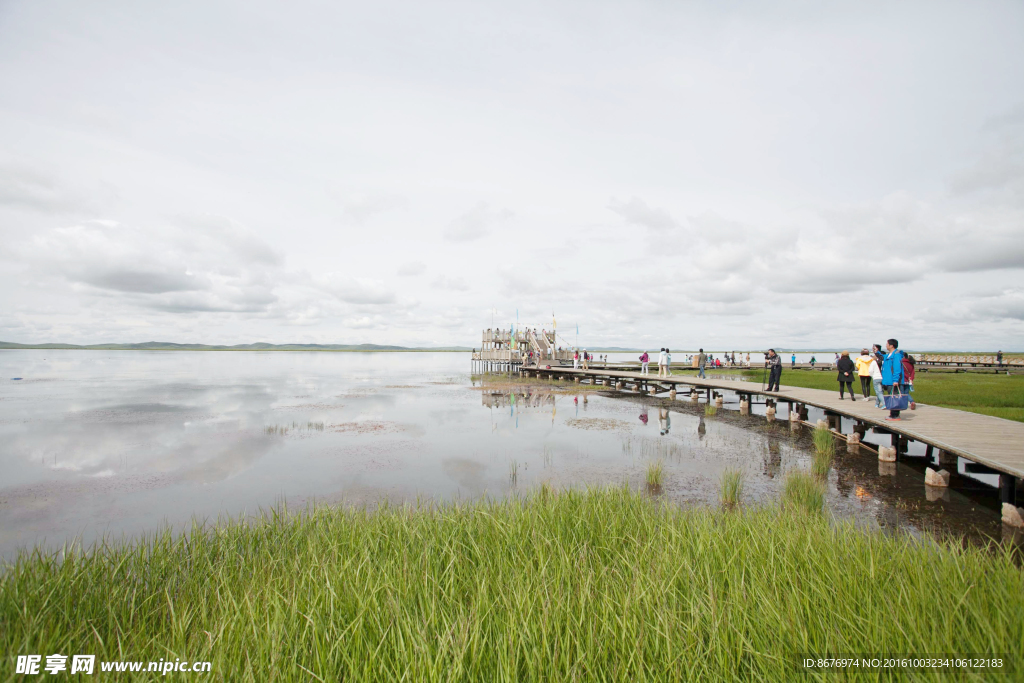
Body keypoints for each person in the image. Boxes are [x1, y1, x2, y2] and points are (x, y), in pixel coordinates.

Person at [881, 338, 905, 421]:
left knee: (894, 398)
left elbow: (897, 368)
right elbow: (881, 356)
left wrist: (895, 380)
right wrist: (876, 351)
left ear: (891, 345)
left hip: (893, 381)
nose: (886, 345)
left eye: (887, 344)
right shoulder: (888, 355)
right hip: (888, 380)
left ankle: (895, 415)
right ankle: (892, 414)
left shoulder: (896, 355)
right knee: (891, 398)